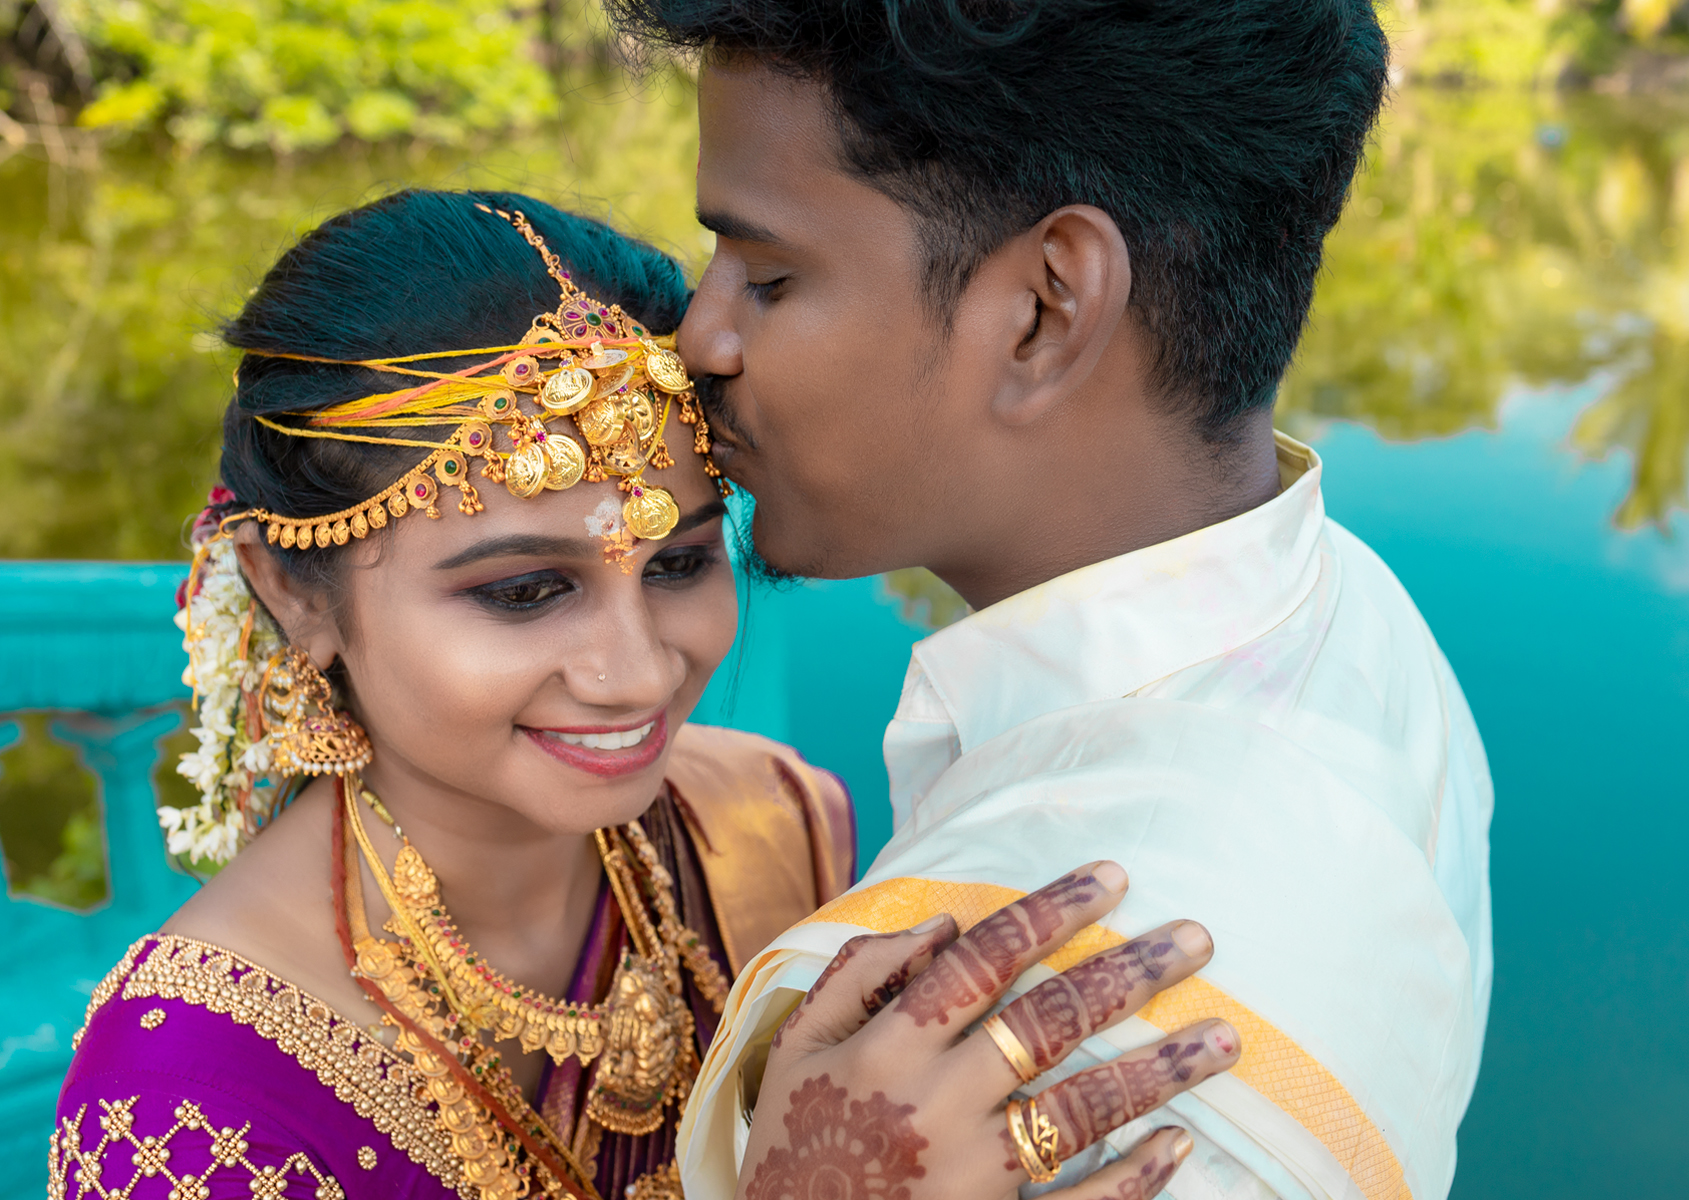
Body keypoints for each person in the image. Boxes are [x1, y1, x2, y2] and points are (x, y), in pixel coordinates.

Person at [46, 188, 1241, 1200]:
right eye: (522, 593)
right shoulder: (187, 1096)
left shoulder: (771, 817)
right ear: (296, 596)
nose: (639, 669)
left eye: (677, 564)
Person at [602, 3, 1496, 1199]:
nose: (698, 337)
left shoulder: (1106, 1013)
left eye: (767, 275)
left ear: (1043, 309)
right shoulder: (1342, 605)